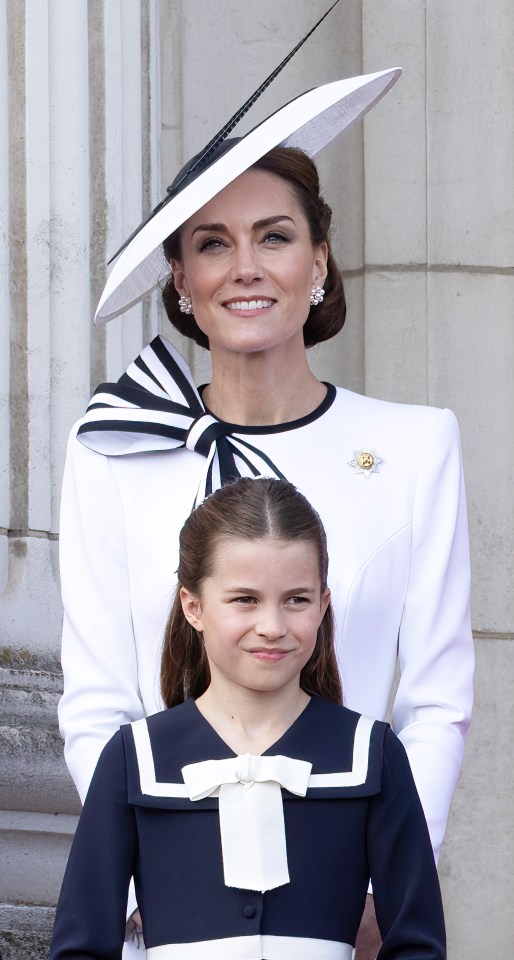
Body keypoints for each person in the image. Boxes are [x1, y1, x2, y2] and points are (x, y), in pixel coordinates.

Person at [57, 69, 473, 958]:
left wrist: (383, 886)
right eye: (212, 243)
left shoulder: (413, 446)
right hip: (167, 920)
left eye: (274, 237)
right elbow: (96, 700)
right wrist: (150, 876)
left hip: (341, 911)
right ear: (180, 274)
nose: (245, 268)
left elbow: (436, 700)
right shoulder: (112, 450)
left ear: (319, 259)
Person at [51, 478, 446, 960]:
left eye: (296, 600)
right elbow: (80, 948)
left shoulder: (373, 753)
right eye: (245, 600)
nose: (273, 627)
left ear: (323, 604)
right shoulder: (134, 757)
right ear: (193, 606)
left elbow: (417, 946)